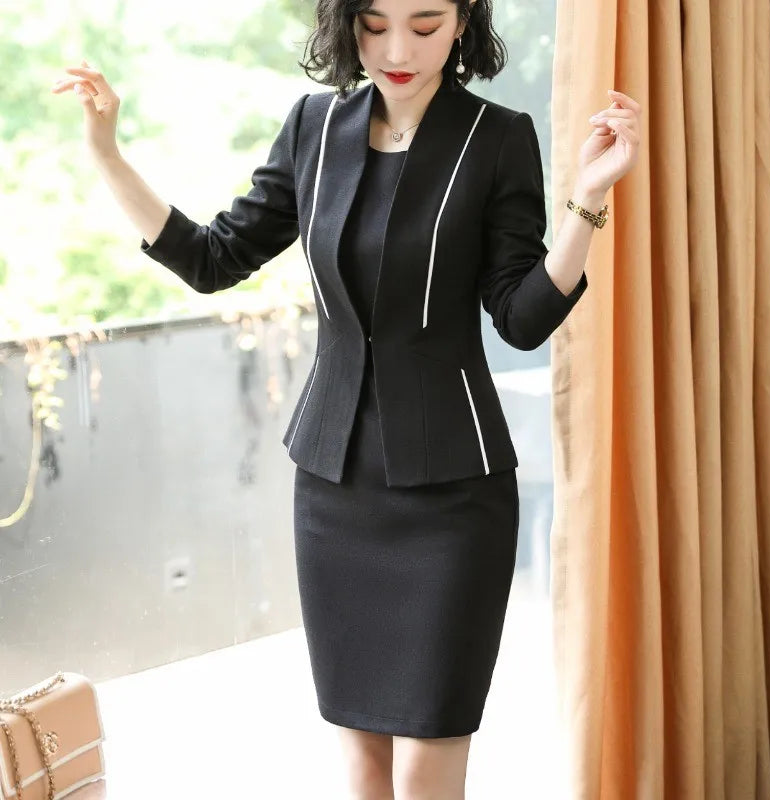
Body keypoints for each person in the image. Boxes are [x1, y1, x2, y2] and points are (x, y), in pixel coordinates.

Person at [51, 1, 640, 796]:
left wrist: (588, 202)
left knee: (429, 756)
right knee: (360, 761)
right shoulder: (313, 126)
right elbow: (214, 259)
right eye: (373, 23)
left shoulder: (496, 137)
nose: (396, 48)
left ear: (463, 21)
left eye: (424, 26)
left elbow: (523, 318)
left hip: (453, 497)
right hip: (335, 488)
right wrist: (106, 152)